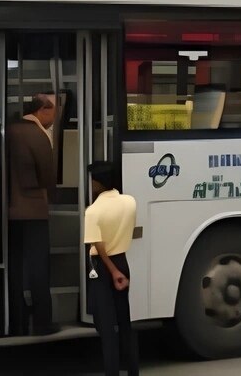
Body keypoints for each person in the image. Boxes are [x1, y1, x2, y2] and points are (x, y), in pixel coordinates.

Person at [6, 92, 58, 336]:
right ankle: (42, 322)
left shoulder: (10, 130)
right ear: (43, 110)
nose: (54, 118)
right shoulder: (38, 135)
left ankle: (15, 319)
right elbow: (48, 176)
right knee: (39, 268)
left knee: (14, 268)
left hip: (9, 211)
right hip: (33, 209)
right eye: (54, 112)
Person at [84, 160, 139, 376]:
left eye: (92, 181)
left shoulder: (93, 211)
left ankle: (112, 372)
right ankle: (133, 370)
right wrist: (119, 270)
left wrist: (112, 271)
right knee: (124, 322)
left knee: (107, 327)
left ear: (97, 183)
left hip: (103, 266)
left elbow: (97, 244)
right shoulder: (129, 202)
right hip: (122, 262)